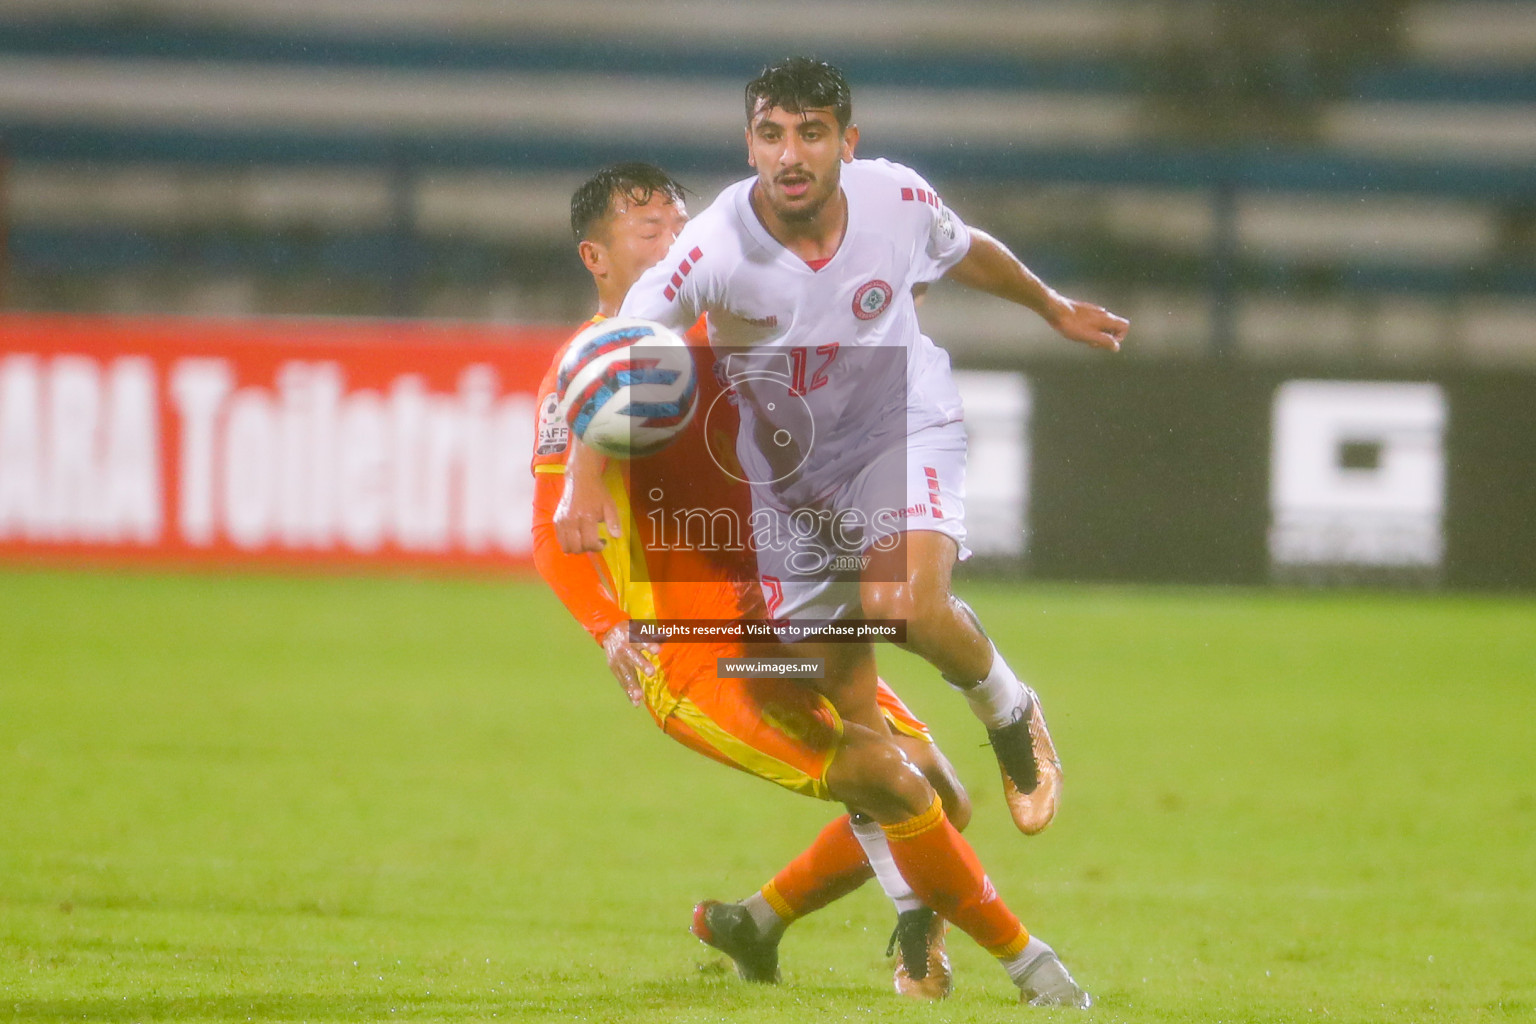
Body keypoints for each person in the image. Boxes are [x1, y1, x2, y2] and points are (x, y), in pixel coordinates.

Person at [559, 57, 1129, 839]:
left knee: (901, 602)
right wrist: (580, 480)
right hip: (792, 485)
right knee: (850, 717)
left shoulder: (895, 196)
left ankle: (1008, 708)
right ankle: (917, 931)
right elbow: (620, 352)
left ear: (847, 142)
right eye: (772, 134)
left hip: (902, 423)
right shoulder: (712, 248)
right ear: (750, 145)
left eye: (812, 134)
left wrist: (1053, 306)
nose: (791, 154)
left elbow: (963, 248)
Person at [533, 163, 1060, 1002]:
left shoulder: (733, 337)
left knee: (943, 795)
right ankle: (1031, 968)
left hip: (793, 620)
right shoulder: (586, 375)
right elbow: (551, 533)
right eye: (650, 231)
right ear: (596, 259)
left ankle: (757, 922)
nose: (677, 241)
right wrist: (608, 626)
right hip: (702, 654)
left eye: (680, 224)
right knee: (894, 783)